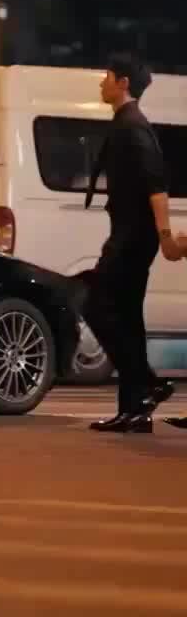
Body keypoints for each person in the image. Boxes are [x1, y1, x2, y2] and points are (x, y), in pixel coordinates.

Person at [85, 55, 187, 434]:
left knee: (96, 305)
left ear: (123, 82)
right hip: (127, 234)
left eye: (107, 76)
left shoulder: (134, 127)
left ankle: (147, 383)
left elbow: (156, 186)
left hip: (132, 238)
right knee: (127, 318)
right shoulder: (125, 123)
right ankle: (135, 411)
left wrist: (166, 238)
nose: (102, 82)